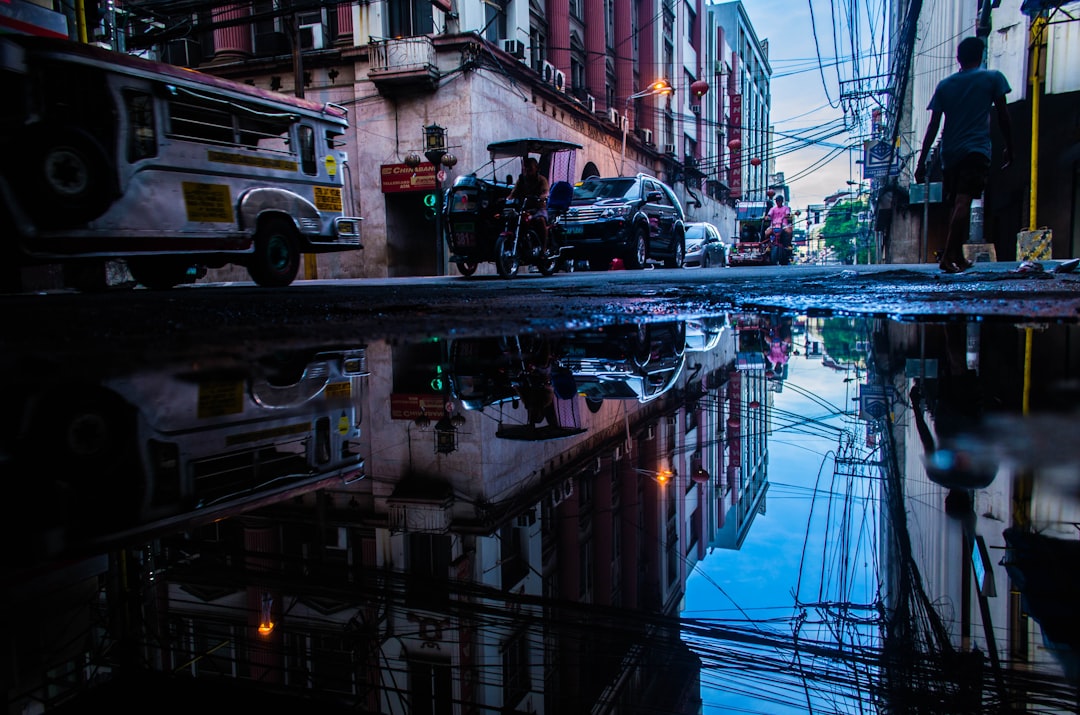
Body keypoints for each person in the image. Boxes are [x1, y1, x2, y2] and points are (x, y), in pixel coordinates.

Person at [914, 36, 1014, 274]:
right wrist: (1010, 145)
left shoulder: (946, 85)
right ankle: (948, 256)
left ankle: (957, 255)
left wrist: (922, 162)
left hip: (950, 153)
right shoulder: (992, 78)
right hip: (976, 149)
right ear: (981, 55)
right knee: (963, 201)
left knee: (958, 204)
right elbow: (1003, 115)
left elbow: (933, 126)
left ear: (958, 58)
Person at [508, 156, 551, 255]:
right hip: (525, 209)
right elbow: (513, 193)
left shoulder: (541, 180)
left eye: (530, 169)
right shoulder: (521, 180)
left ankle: (543, 249)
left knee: (540, 220)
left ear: (536, 168)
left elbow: (546, 192)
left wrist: (542, 197)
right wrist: (507, 199)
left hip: (539, 208)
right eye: (525, 169)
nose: (527, 171)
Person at [764, 194, 793, 264]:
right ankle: (767, 245)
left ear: (782, 201)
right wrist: (767, 217)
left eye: (779, 201)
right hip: (774, 225)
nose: (778, 202)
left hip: (783, 225)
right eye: (777, 201)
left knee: (789, 232)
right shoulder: (773, 209)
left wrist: (786, 216)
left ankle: (787, 244)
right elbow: (769, 215)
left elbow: (788, 214)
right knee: (766, 233)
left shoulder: (786, 208)